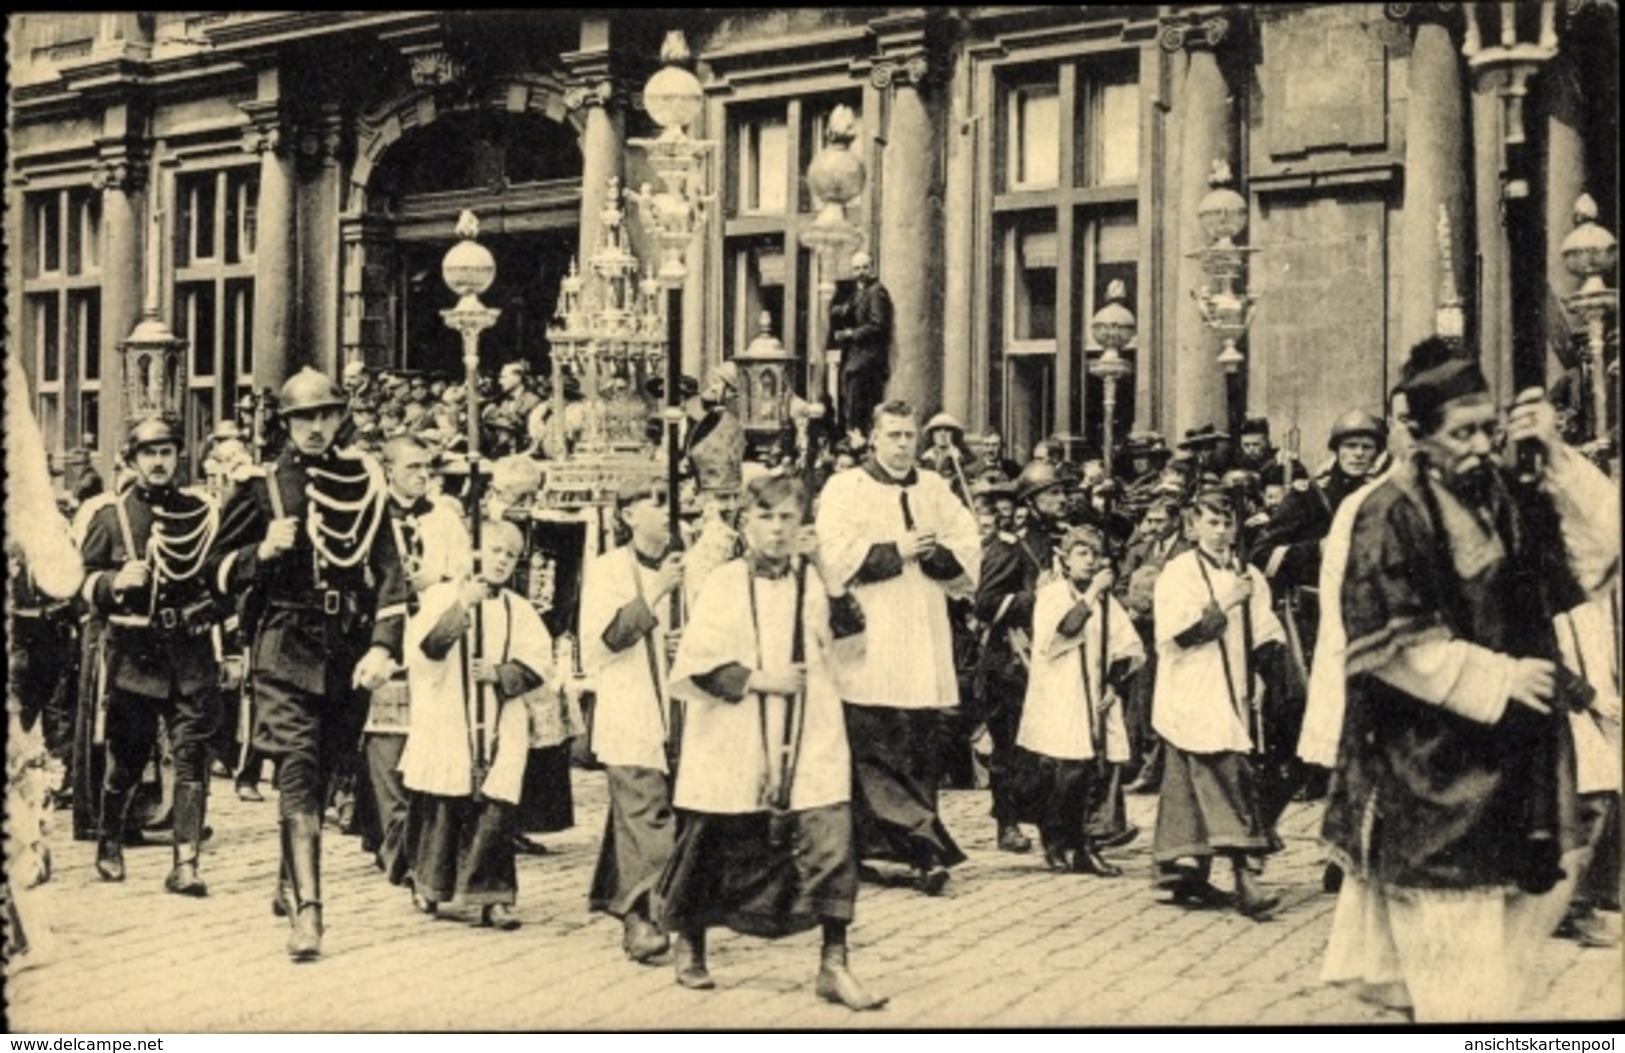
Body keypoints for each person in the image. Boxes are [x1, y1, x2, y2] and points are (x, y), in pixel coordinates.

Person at [1319, 342, 1619, 1021]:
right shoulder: (1386, 512)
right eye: (1463, 432)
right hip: (1430, 776)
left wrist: (1558, 457)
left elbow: (1598, 556)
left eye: (1489, 427)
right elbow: (1389, 644)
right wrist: (1499, 676)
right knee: (1459, 987)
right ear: (1420, 436)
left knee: (1492, 980)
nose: (1482, 445)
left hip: (1514, 772)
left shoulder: (1505, 499)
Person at [655, 474, 886, 1010]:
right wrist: (759, 679)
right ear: (746, 523)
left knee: (831, 839)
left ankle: (834, 962)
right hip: (734, 734)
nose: (778, 529)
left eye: (789, 518)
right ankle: (691, 943)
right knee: (711, 840)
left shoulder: (816, 583)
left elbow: (852, 646)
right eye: (767, 517)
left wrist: (827, 568)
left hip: (811, 733)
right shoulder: (724, 583)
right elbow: (698, 664)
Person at [205, 367, 412, 961]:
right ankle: (309, 913)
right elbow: (212, 567)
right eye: (303, 418)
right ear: (286, 424)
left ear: (340, 417)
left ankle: (286, 877)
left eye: (325, 415)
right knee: (296, 767)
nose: (315, 427)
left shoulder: (364, 481)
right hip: (284, 643)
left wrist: (383, 644)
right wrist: (259, 552)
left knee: (324, 769)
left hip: (345, 649)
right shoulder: (261, 486)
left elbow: (391, 570)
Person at [816, 400, 980, 894]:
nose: (904, 445)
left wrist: (937, 555)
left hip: (923, 633)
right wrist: (893, 552)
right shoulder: (846, 488)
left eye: (910, 435)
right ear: (873, 438)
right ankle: (918, 848)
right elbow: (833, 554)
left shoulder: (935, 488)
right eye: (894, 436)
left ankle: (903, 847)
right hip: (873, 635)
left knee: (918, 745)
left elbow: (968, 548)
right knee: (872, 743)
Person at [79, 416, 223, 897]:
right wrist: (113, 583)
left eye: (166, 452)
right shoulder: (110, 515)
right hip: (136, 657)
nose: (159, 461)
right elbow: (80, 582)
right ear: (133, 459)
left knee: (190, 757)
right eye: (149, 453)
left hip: (190, 654)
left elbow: (220, 576)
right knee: (127, 757)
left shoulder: (202, 512)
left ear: (178, 456)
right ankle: (109, 840)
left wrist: (209, 610)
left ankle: (186, 864)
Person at [399, 519, 552, 929]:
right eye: (496, 551)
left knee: (494, 809)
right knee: (444, 804)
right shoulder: (442, 596)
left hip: (500, 719)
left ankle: (493, 896)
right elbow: (425, 649)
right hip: (449, 714)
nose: (502, 561)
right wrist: (463, 605)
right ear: (474, 552)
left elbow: (540, 662)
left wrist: (501, 673)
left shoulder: (517, 609)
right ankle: (430, 884)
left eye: (511, 555)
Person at [1150, 487, 1287, 918]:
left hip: (1236, 690)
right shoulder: (1179, 572)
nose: (1221, 531)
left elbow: (1265, 631)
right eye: (1211, 522)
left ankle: (1186, 871)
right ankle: (1246, 878)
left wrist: (1264, 674)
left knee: (1195, 782)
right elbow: (1181, 633)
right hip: (1194, 687)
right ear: (1192, 527)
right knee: (1223, 775)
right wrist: (1227, 602)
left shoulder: (1248, 575)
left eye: (1227, 523)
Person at [1249, 408, 1388, 818]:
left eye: (1367, 447)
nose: (1359, 455)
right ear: (1336, 450)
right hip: (1311, 621)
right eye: (1351, 446)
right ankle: (1261, 822)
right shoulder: (1311, 495)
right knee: (1307, 726)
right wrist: (1315, 551)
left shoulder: (1383, 495)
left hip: (1369, 620)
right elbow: (1260, 555)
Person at [360, 434, 472, 881]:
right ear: (389, 469)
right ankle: (395, 845)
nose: (423, 475)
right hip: (387, 636)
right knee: (386, 741)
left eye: (427, 467)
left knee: (428, 742)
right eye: (412, 468)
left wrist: (435, 577)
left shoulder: (445, 518)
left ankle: (422, 844)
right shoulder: (372, 514)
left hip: (432, 639)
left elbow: (465, 571)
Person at [582, 480, 685, 963]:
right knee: (646, 814)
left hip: (683, 711)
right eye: (656, 502)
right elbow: (602, 641)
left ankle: (627, 907)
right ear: (627, 515)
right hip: (631, 709)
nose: (668, 512)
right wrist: (657, 592)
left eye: (672, 500)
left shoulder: (693, 566)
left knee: (639, 816)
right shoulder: (606, 570)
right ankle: (642, 918)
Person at [1015, 524, 1145, 875]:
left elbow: (1127, 646)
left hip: (1095, 692)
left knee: (1094, 769)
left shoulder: (1106, 601)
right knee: (1066, 770)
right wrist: (1091, 597)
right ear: (1066, 559)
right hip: (1061, 690)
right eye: (1082, 554)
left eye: (1095, 554)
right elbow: (1063, 632)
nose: (1090, 561)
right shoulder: (1054, 595)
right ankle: (1057, 840)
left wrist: (1112, 685)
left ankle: (1085, 843)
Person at [972, 460, 1066, 854]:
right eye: (1053, 493)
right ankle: (1007, 823)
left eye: (1062, 492)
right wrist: (1036, 597)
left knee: (1046, 748)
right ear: (1031, 501)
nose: (1062, 499)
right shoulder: (1010, 546)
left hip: (1047, 657)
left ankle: (1051, 824)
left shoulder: (1057, 541)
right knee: (1010, 747)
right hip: (1009, 662)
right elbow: (985, 604)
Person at [829, 251, 894, 443]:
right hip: (855, 358)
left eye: (865, 267)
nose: (861, 272)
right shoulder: (859, 292)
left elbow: (878, 324)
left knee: (859, 406)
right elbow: (849, 308)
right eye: (856, 268)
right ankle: (853, 441)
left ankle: (859, 443)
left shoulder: (876, 291)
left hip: (867, 359)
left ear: (872, 268)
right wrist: (836, 309)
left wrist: (850, 334)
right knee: (850, 404)